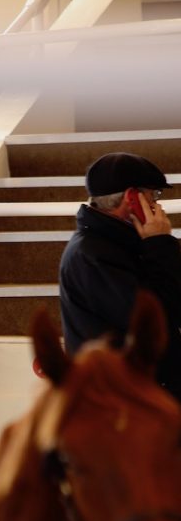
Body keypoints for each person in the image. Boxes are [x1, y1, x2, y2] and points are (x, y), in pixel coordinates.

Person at [59, 151, 181, 401]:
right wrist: (160, 244)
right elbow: (156, 317)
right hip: (124, 406)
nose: (158, 205)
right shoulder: (92, 256)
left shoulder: (123, 243)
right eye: (153, 195)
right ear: (131, 198)